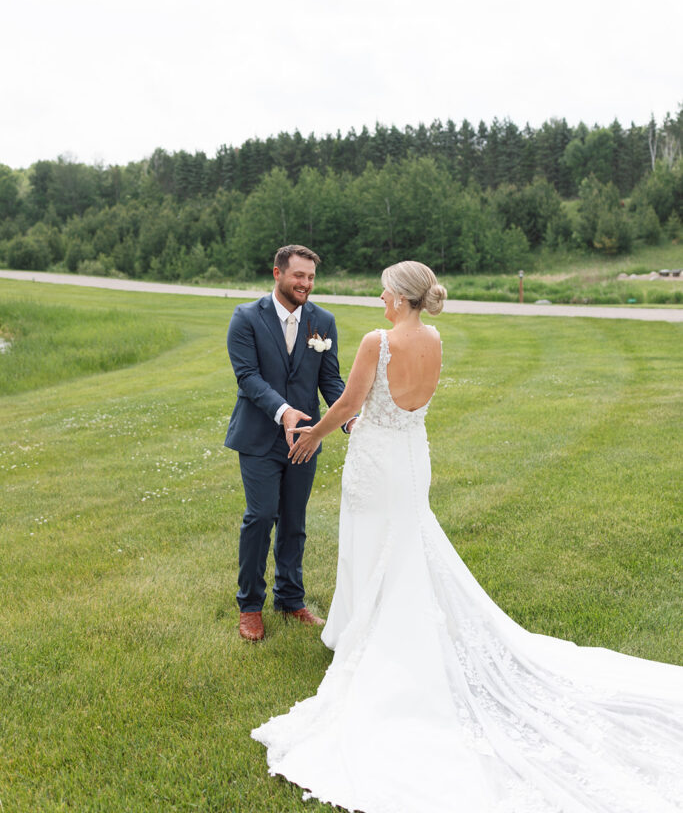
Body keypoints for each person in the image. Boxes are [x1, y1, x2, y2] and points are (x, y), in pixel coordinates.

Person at [251, 260, 683, 813]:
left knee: (377, 541)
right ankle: (374, 624)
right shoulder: (432, 337)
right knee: (406, 541)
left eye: (385, 291)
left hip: (380, 459)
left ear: (400, 297)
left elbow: (350, 405)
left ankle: (380, 638)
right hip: (412, 454)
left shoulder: (375, 340)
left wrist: (314, 432)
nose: (380, 298)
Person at [225, 244, 355, 643]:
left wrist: (349, 417)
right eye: (299, 276)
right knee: (261, 516)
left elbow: (330, 380)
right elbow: (247, 377)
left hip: (305, 439)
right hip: (260, 436)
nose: (306, 284)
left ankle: (290, 599)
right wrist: (283, 411)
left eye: (311, 277)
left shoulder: (323, 321)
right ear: (278, 274)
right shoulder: (246, 317)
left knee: (295, 522)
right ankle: (250, 606)